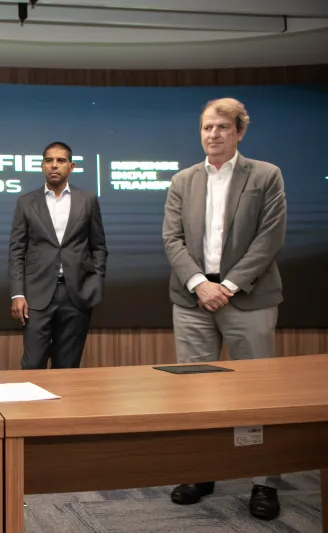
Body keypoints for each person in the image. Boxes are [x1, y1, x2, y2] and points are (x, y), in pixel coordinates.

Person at [162, 98, 286, 520]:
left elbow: (269, 238)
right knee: (197, 394)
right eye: (206, 128)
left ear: (239, 132)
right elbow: (172, 240)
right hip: (193, 300)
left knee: (258, 394)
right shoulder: (182, 180)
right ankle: (202, 471)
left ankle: (263, 482)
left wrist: (227, 286)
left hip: (247, 297)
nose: (212, 135)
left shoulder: (266, 175)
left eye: (221, 128)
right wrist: (200, 284)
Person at [8, 141, 107, 369]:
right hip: (36, 295)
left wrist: (95, 282)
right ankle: (33, 406)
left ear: (70, 167)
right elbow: (16, 250)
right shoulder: (26, 202)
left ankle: (64, 407)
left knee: (68, 367)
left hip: (77, 295)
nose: (54, 166)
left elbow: (98, 246)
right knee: (33, 365)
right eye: (49, 161)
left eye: (60, 161)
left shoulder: (88, 200)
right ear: (42, 166)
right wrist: (17, 294)